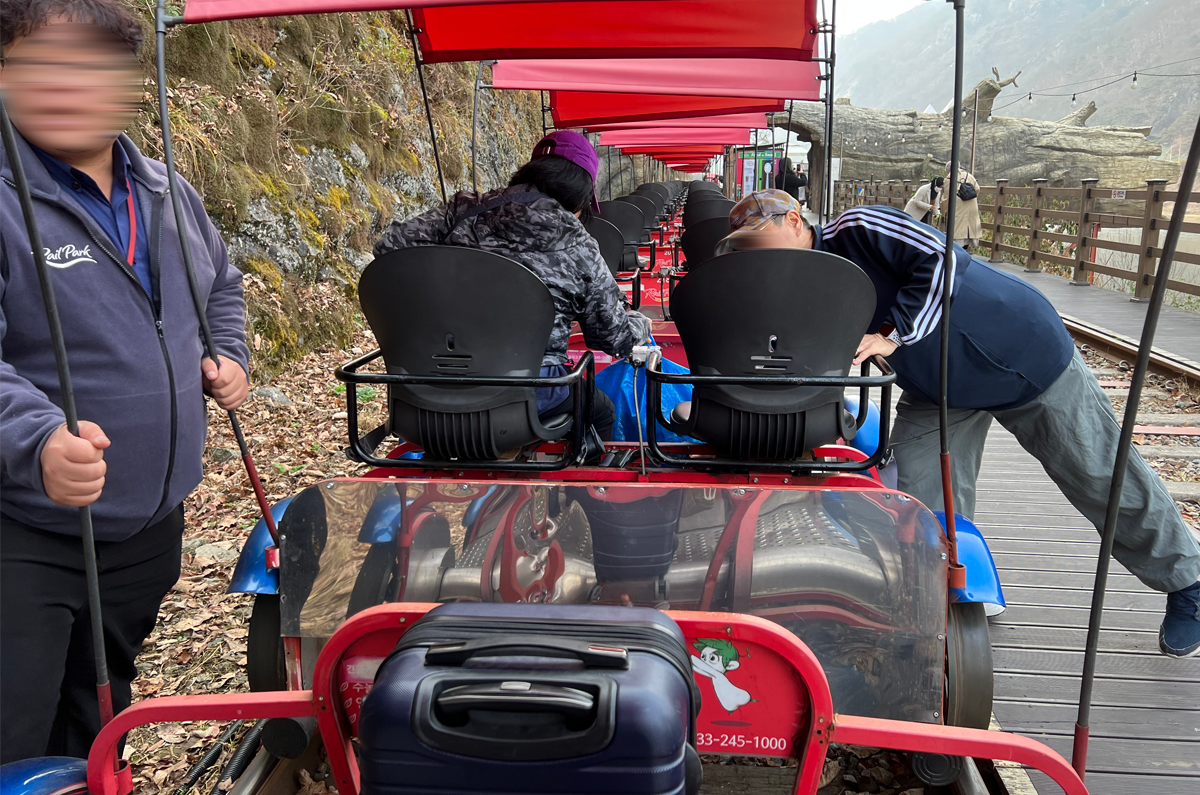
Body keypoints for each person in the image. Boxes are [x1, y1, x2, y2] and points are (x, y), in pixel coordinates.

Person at [716, 190, 1200, 658]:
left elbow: (943, 259)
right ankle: (945, 595)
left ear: (796, 222)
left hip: (1018, 353)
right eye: (746, 249)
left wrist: (895, 334)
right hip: (939, 387)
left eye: (761, 241)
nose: (757, 255)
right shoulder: (792, 282)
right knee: (916, 494)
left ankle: (1190, 585)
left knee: (1100, 476)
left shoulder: (857, 228)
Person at [0, 1, 250, 764]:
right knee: (15, 725)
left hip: (148, 527)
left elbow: (222, 287)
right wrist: (36, 438)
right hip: (27, 534)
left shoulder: (168, 191)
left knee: (99, 703)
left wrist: (229, 354)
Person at [374, 130, 650, 440]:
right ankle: (583, 484)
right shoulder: (579, 244)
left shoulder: (461, 210)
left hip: (433, 383)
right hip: (529, 394)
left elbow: (389, 251)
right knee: (600, 411)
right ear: (581, 195)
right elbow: (612, 338)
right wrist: (641, 323)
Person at [940, 161, 982, 247]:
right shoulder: (969, 176)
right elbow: (977, 189)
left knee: (958, 230)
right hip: (971, 205)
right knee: (970, 228)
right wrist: (970, 197)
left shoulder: (949, 178)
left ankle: (959, 250)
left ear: (948, 169)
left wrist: (943, 209)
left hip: (957, 207)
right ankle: (968, 247)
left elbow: (947, 198)